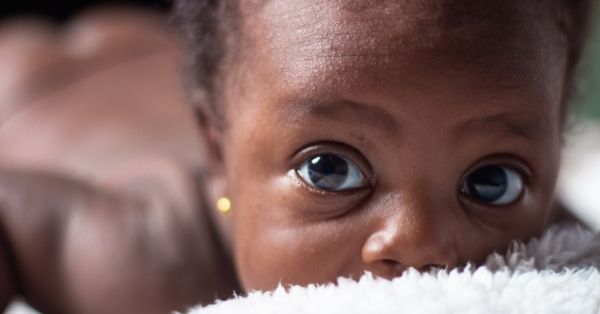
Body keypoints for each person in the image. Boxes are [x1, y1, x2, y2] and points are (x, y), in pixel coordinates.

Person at [0, 0, 594, 313]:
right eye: (330, 170)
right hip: (30, 89)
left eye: (489, 181)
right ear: (215, 148)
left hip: (179, 59)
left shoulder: (546, 233)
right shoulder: (148, 255)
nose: (420, 243)